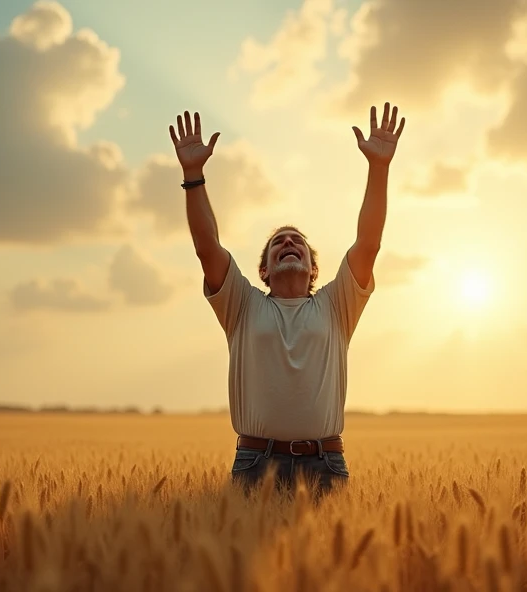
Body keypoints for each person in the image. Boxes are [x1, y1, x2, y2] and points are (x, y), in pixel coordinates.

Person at [168, 103, 406, 497]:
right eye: (278, 242)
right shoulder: (242, 305)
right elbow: (207, 248)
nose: (289, 243)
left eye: (298, 241)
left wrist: (378, 168)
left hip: (326, 465)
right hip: (254, 464)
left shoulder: (337, 305)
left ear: (314, 270)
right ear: (263, 271)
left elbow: (368, 243)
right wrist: (194, 176)